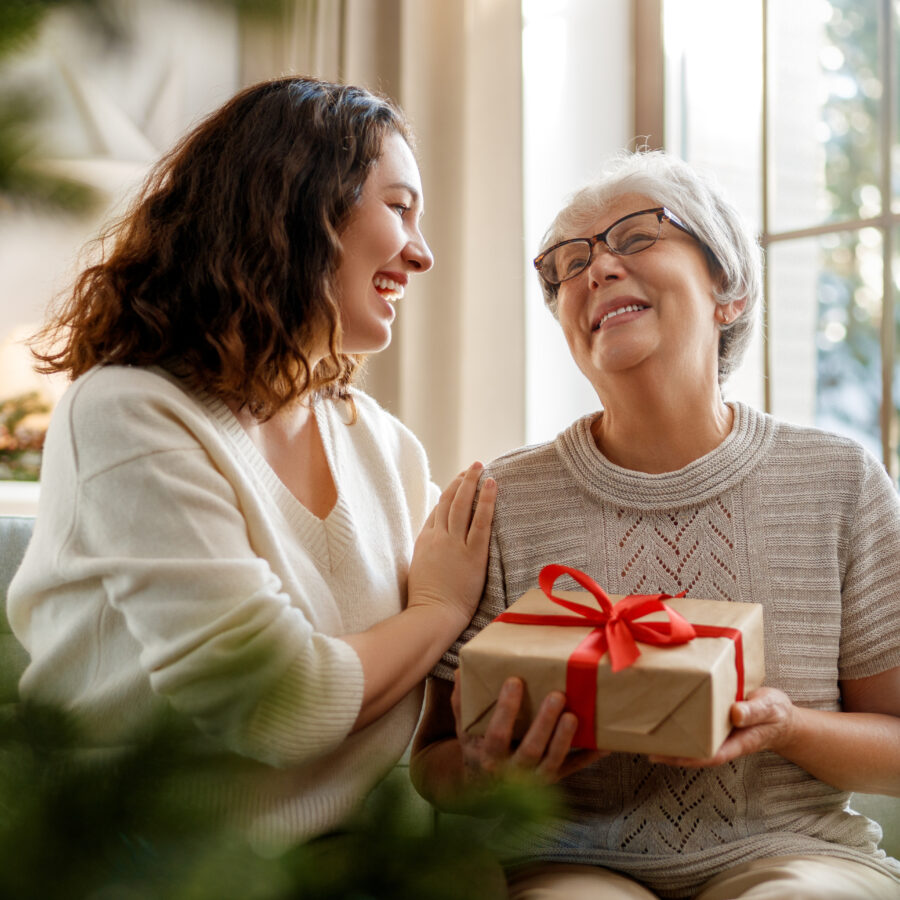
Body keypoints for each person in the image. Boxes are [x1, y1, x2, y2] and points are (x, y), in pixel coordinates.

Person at [8, 75, 496, 848]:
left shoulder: (380, 442)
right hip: (134, 862)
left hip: (351, 856)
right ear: (299, 203)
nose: (424, 253)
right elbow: (281, 702)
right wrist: (436, 610)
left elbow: (465, 632)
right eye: (398, 207)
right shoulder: (128, 412)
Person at [411, 150, 900, 899]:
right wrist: (488, 768)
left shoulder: (838, 479)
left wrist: (789, 728)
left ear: (727, 291)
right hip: (567, 860)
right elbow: (433, 764)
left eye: (636, 237)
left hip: (797, 855)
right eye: (569, 262)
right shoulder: (503, 497)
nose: (597, 268)